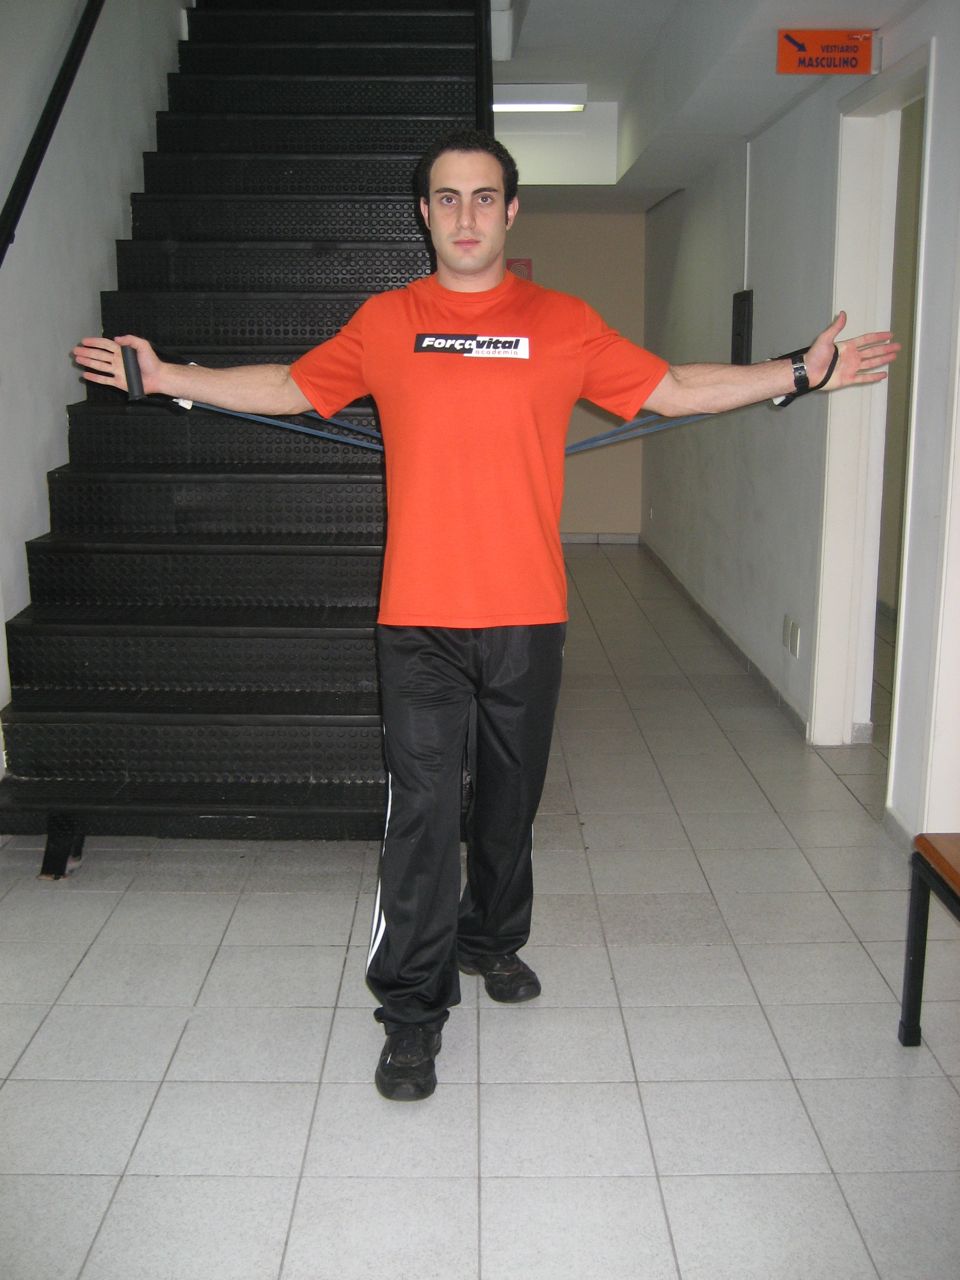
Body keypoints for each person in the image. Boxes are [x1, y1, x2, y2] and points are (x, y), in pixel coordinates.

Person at [73, 129, 899, 1102]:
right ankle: (411, 1012)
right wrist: (169, 375)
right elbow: (293, 386)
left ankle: (492, 938)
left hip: (526, 612)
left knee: (510, 805)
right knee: (423, 815)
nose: (464, 215)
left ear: (510, 211)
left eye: (482, 197)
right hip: (418, 618)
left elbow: (674, 388)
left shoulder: (563, 321)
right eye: (446, 197)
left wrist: (797, 371)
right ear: (423, 214)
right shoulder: (387, 320)